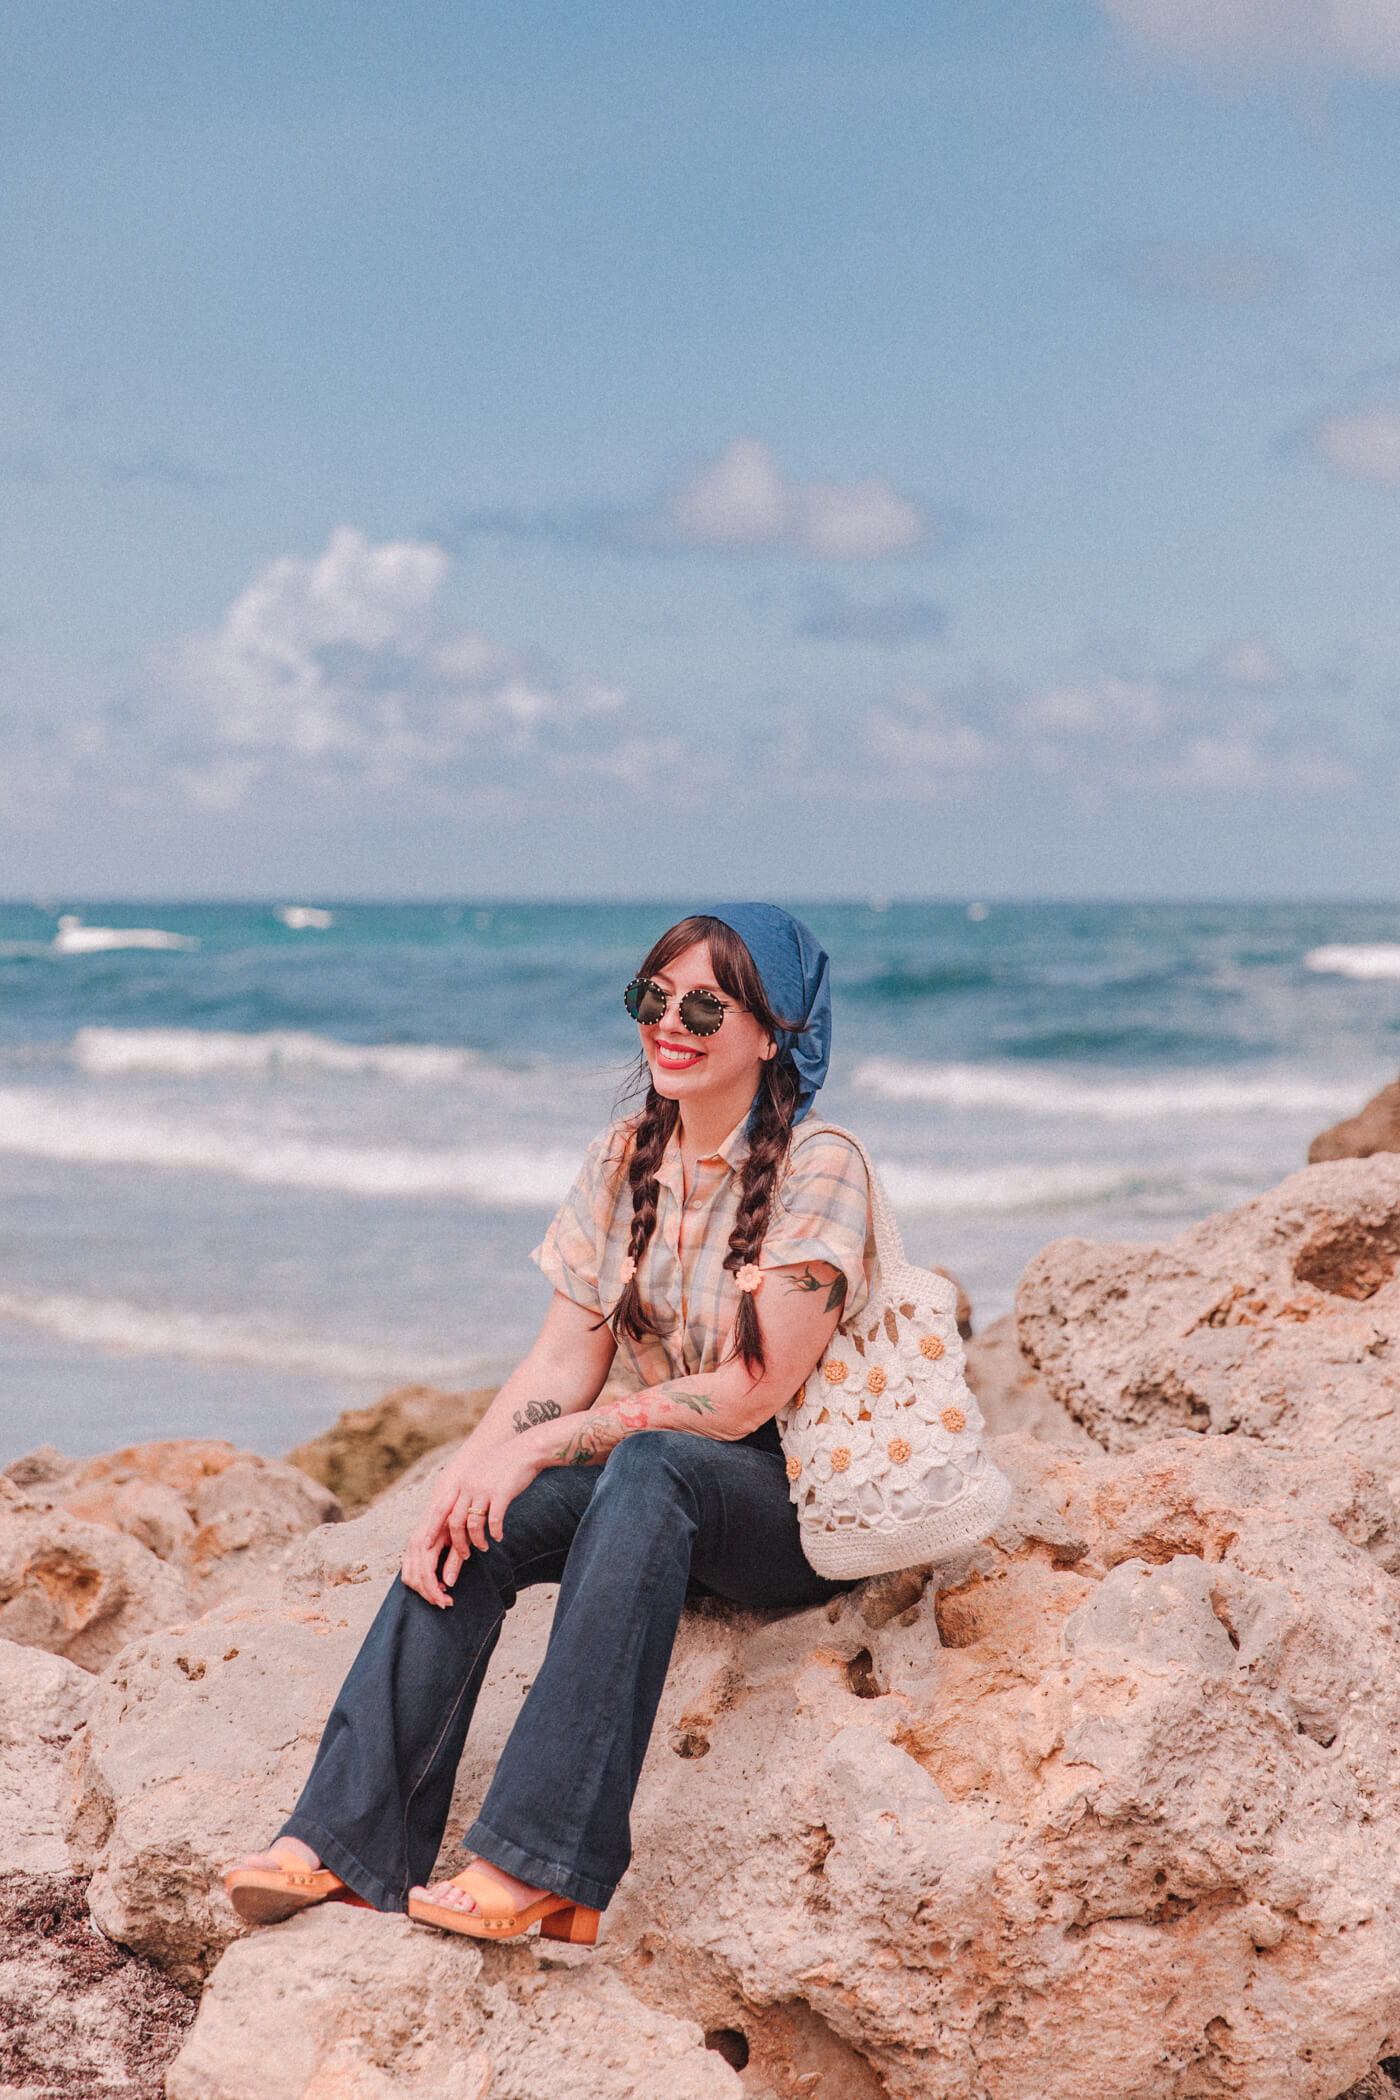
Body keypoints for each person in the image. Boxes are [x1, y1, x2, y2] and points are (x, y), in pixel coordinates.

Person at [225, 905, 874, 1946]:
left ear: (772, 1031)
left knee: (649, 1459)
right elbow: (560, 1362)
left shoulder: (819, 1162)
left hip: (792, 1504)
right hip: (649, 1496)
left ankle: (539, 1866)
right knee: (480, 1516)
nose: (670, 1021)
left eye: (705, 1003)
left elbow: (754, 1390)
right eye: (649, 997)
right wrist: (467, 1478)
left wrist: (542, 1443)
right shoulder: (624, 1157)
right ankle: (349, 1849)